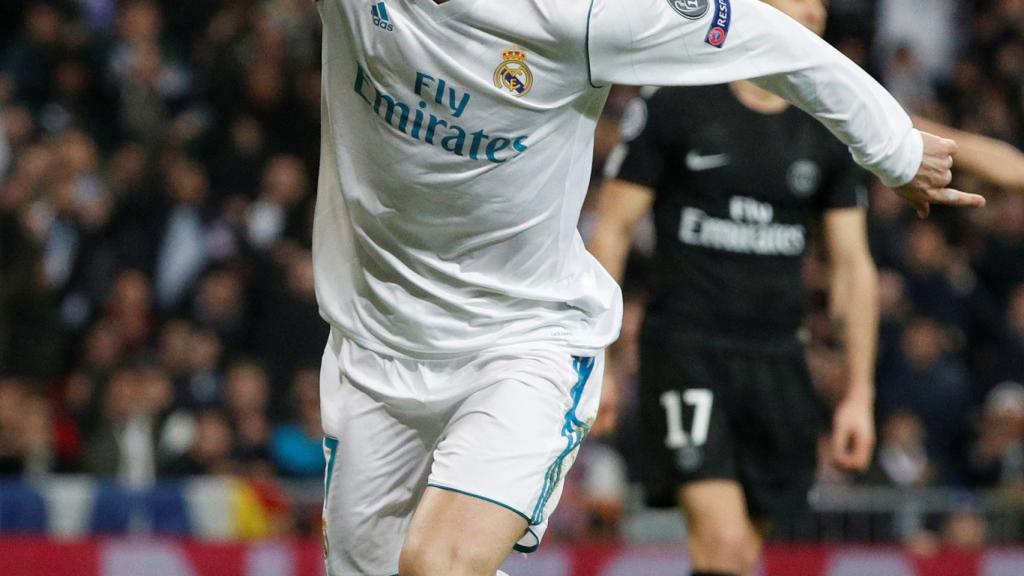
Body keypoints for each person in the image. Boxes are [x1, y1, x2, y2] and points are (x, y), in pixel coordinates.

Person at [312, 0, 983, 574]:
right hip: (374, 348)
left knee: (436, 565)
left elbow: (766, 35)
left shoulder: (584, 16)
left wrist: (895, 147)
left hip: (521, 345)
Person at [587, 2, 1014, 575]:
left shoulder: (827, 124)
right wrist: (602, 359)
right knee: (724, 544)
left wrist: (859, 394)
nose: (814, 8)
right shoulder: (677, 99)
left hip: (781, 362)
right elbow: (612, 228)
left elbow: (851, 265)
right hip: (688, 352)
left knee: (740, 557)